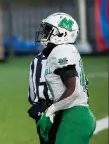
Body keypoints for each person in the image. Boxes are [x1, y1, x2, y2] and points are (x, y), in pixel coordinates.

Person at [35, 12, 95, 144]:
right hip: (73, 115)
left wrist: (50, 110)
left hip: (75, 116)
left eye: (49, 31)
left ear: (62, 34)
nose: (44, 35)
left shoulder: (61, 51)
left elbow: (74, 90)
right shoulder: (65, 50)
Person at [28, 50, 61, 144]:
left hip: (51, 108)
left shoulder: (40, 59)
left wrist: (36, 104)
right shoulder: (73, 54)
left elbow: (33, 94)